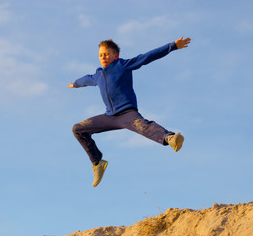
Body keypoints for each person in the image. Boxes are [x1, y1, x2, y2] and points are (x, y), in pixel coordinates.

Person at [68, 37, 191, 187]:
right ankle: (97, 163)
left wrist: (172, 46)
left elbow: (147, 57)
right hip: (109, 117)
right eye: (101, 55)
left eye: (106, 54)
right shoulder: (98, 75)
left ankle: (170, 138)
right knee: (78, 129)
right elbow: (86, 79)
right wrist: (75, 84)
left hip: (127, 114)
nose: (103, 57)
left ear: (116, 56)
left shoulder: (123, 65)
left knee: (143, 126)